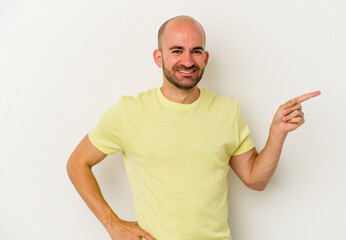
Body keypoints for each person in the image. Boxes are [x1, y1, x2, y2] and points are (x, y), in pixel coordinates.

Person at [66, 15, 320, 240]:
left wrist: (277, 134)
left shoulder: (227, 111)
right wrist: (112, 224)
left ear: (206, 58)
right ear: (159, 57)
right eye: (177, 50)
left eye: (196, 51)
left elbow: (255, 180)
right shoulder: (128, 112)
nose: (187, 60)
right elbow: (77, 163)